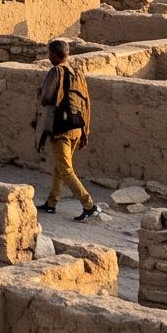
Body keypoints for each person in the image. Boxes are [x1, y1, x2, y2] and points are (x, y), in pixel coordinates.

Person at [36, 39, 98, 218]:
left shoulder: (56, 71)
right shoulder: (78, 74)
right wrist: (85, 132)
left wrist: (40, 94)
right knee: (60, 167)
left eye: (50, 54)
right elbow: (86, 104)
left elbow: (46, 98)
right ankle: (51, 203)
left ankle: (88, 204)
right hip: (76, 127)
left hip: (61, 128)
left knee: (66, 170)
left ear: (54, 55)